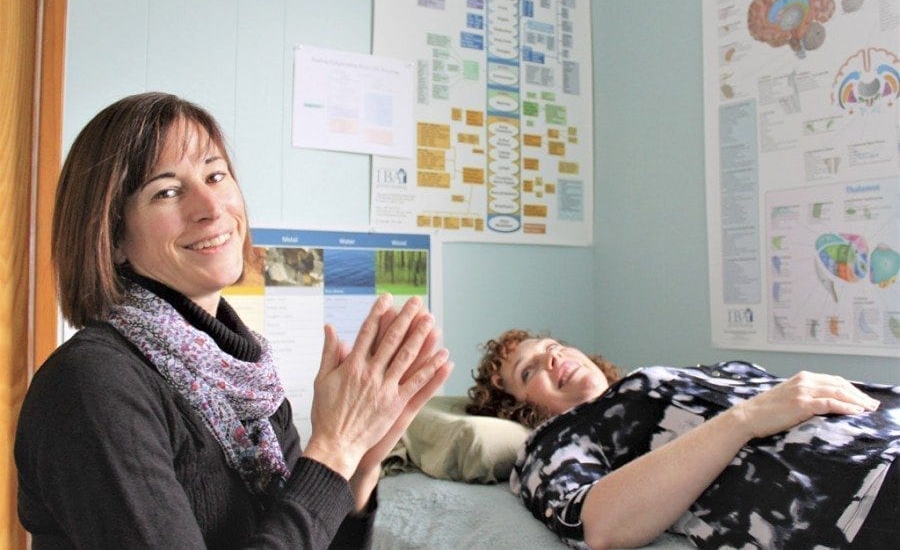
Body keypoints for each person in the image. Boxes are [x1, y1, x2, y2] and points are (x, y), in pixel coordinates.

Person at [15, 92, 453, 549]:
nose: (211, 207)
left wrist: (358, 468)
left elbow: (305, 535)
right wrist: (333, 452)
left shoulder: (246, 377)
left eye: (215, 174)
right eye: (166, 191)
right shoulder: (93, 384)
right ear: (113, 238)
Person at [467, 329, 899, 549]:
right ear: (514, 409)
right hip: (863, 494)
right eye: (529, 371)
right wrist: (745, 418)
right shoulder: (552, 442)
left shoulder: (658, 382)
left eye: (552, 346)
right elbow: (599, 524)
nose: (553, 357)